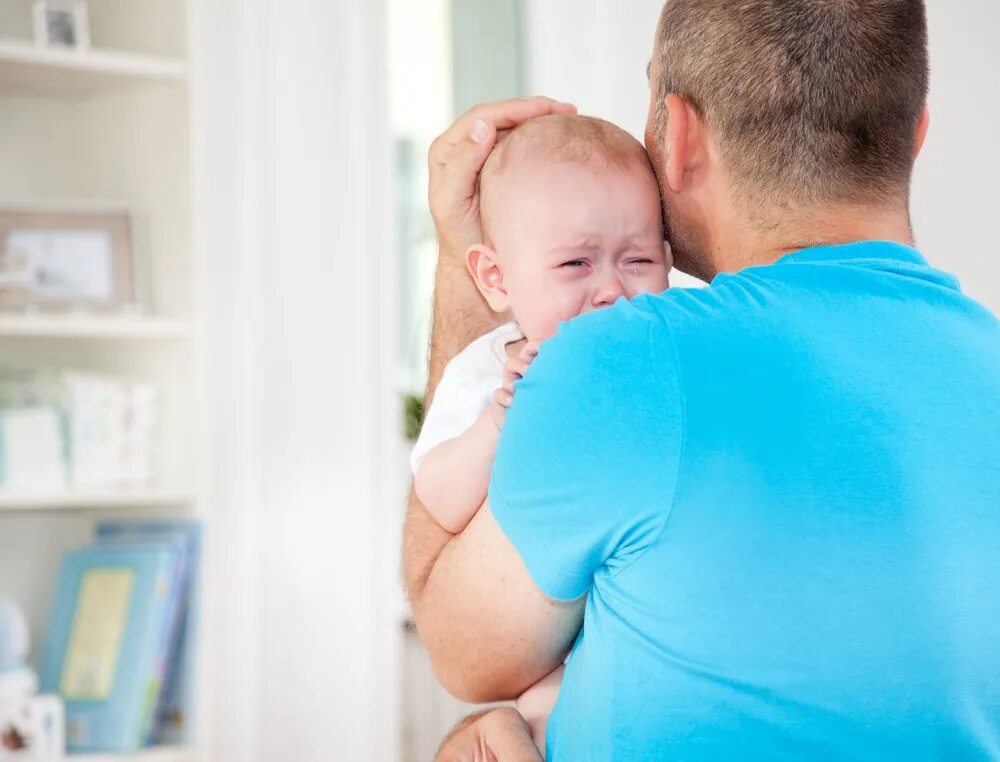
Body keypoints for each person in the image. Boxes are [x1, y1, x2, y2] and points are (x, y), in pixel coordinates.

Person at [410, 1, 1000, 759]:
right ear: (916, 136)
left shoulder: (621, 362)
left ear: (678, 135)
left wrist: (467, 263)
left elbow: (463, 647)